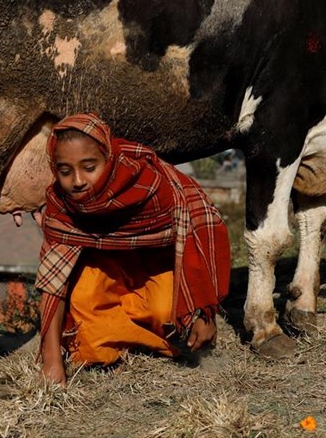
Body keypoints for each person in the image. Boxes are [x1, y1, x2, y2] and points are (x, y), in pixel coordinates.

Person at [35, 113, 231, 384]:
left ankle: (146, 335)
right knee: (89, 333)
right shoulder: (62, 205)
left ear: (109, 159)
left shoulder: (150, 183)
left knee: (166, 311)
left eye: (89, 167)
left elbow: (202, 225)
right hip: (105, 270)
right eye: (65, 171)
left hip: (154, 264)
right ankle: (123, 340)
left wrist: (204, 311)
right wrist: (52, 362)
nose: (77, 181)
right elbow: (53, 283)